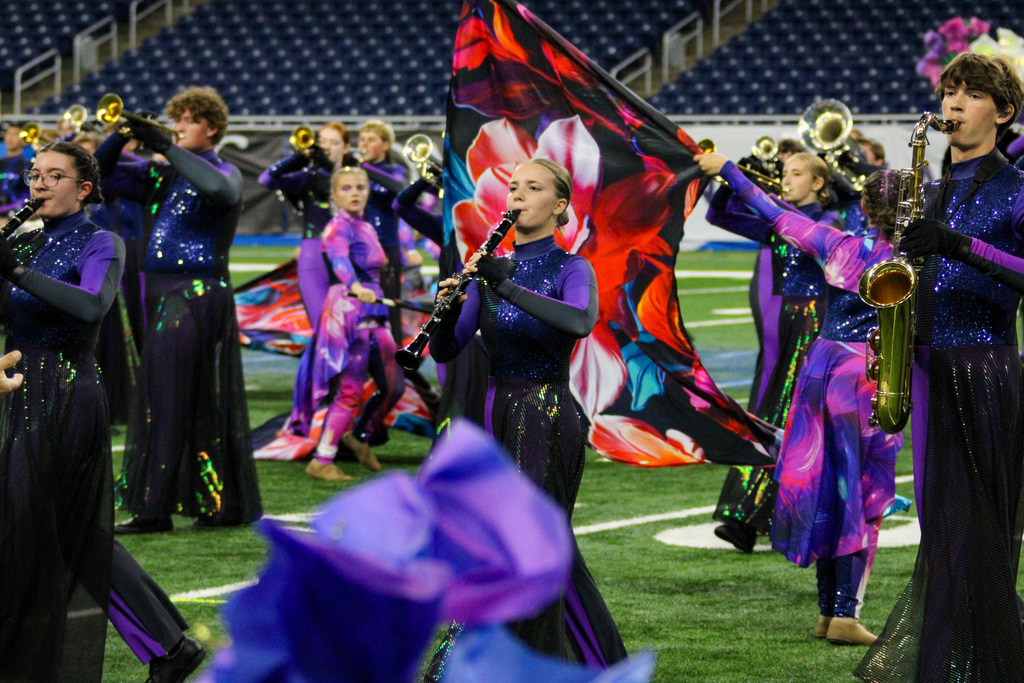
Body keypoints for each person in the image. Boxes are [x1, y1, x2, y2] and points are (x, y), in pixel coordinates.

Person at [854, 53, 1024, 682]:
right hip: (924, 368)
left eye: (971, 94)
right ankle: (955, 662)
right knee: (943, 530)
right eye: (949, 90)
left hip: (981, 370)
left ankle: (981, 665)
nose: (953, 102)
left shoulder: (1016, 187)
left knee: (976, 533)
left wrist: (959, 244)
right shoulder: (928, 187)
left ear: (1003, 113)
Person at [428, 159, 626, 669]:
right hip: (495, 415)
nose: (517, 195)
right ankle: (593, 662)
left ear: (559, 206)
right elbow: (446, 350)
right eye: (513, 187)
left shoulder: (571, 268)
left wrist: (506, 286)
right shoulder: (487, 267)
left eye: (533, 188)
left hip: (548, 415)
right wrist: (445, 312)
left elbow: (579, 321)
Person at [701, 151, 905, 645]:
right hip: (866, 376)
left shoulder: (838, 242)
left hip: (820, 368)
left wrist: (729, 171)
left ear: (865, 208)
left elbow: (772, 213)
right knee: (861, 496)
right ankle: (845, 613)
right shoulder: (912, 261)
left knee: (827, 488)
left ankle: (827, 612)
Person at [95, 86, 262, 534]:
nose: (180, 125)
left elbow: (220, 191)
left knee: (168, 394)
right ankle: (215, 502)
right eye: (177, 119)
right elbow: (96, 173)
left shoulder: (223, 169)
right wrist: (122, 133)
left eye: (190, 119)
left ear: (212, 128)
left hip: (196, 293)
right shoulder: (159, 174)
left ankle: (154, 510)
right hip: (161, 293)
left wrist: (167, 146)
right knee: (180, 394)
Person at [0, 141, 124, 680]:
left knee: (34, 524)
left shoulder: (102, 241)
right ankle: (168, 642)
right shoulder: (26, 238)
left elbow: (92, 305)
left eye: (54, 176)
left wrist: (15, 271)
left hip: (69, 391)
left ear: (84, 188)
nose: (39, 184)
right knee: (41, 525)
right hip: (18, 387)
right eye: (34, 174)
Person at [707, 152, 836, 553]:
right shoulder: (776, 221)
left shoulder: (830, 222)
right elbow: (717, 216)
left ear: (818, 183)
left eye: (797, 174)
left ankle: (748, 516)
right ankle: (757, 515)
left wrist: (752, 188)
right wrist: (728, 186)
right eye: (784, 174)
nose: (787, 180)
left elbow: (801, 230)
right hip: (782, 325)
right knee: (770, 410)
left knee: (787, 414)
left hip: (813, 323)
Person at [301, 166, 404, 481]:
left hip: (374, 313)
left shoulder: (367, 227)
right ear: (334, 195)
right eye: (346, 188)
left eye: (360, 187)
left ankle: (359, 436)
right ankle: (323, 459)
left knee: (394, 385)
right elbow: (340, 259)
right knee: (350, 389)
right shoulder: (337, 228)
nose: (355, 193)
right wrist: (355, 286)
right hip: (351, 312)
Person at [0, 121, 32, 215]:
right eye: (8, 134)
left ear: (24, 140)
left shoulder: (28, 167)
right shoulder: (1, 163)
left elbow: (26, 198)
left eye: (15, 134)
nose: (10, 138)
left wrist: (7, 216)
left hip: (16, 216)